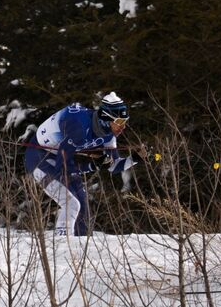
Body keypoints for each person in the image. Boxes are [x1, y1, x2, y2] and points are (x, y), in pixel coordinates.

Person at [24, 93, 137, 237]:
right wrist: (90, 166)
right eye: (120, 121)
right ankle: (62, 247)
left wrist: (136, 158)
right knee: (72, 204)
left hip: (58, 156)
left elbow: (114, 167)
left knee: (83, 206)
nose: (123, 127)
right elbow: (62, 167)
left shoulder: (109, 135)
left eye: (125, 121)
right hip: (37, 157)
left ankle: (81, 249)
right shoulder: (80, 127)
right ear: (106, 119)